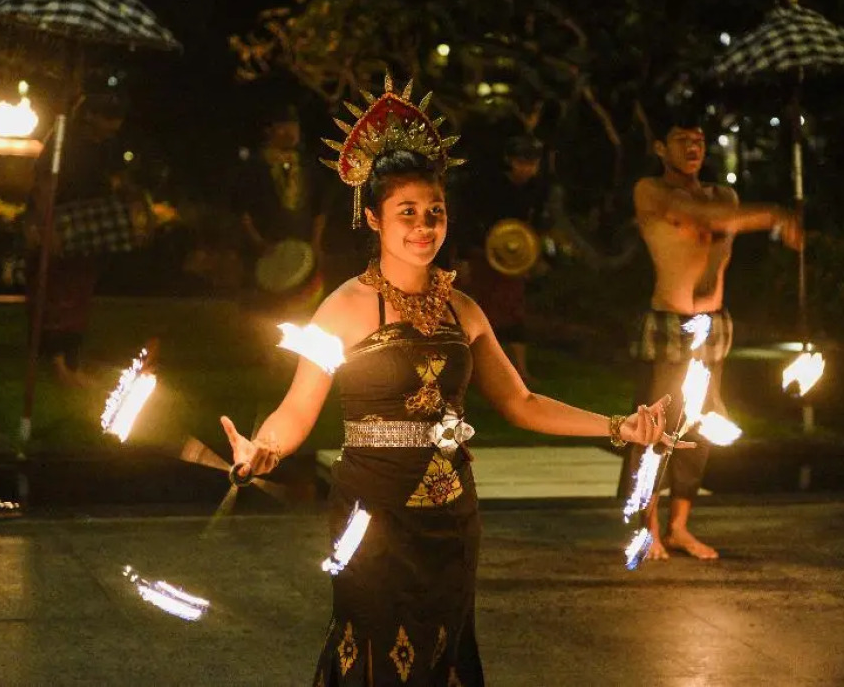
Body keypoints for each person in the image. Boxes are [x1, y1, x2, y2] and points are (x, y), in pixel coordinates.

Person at [220, 78, 681, 685]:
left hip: (452, 514)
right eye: (406, 213)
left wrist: (620, 427)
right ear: (373, 218)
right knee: (375, 649)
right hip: (372, 513)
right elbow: (297, 410)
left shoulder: (464, 308)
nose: (423, 226)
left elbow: (522, 402)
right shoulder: (343, 309)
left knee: (445, 652)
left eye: (434, 212)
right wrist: (265, 447)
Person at [617, 104, 802, 562]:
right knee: (656, 426)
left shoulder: (725, 196)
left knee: (697, 425)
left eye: (699, 140)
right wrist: (778, 214)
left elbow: (722, 233)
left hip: (712, 326)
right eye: (683, 140)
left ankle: (680, 526)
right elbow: (702, 219)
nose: (694, 148)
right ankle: (649, 530)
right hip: (669, 324)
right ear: (662, 148)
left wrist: (743, 235)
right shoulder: (650, 191)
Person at [24, 90, 126, 388]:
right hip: (59, 224)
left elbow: (111, 182)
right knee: (56, 293)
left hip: (88, 231)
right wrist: (47, 226)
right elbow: (44, 185)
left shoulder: (104, 147)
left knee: (79, 294)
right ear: (91, 116)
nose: (112, 128)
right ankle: (57, 363)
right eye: (108, 119)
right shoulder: (63, 142)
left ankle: (71, 360)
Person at [452, 135, 550, 381]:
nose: (526, 168)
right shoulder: (486, 186)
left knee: (514, 310)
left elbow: (535, 226)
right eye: (521, 161)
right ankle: (472, 369)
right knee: (479, 311)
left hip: (514, 256)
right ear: (510, 161)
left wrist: (532, 257)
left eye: (532, 162)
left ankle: (520, 371)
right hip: (481, 254)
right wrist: (464, 256)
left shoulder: (536, 189)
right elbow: (465, 220)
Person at [232, 105, 324, 321]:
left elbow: (319, 208)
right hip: (266, 248)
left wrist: (316, 244)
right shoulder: (254, 167)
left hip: (303, 248)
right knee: (267, 313)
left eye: (294, 127)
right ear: (270, 131)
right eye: (284, 127)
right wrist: (258, 243)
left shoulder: (307, 166)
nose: (291, 133)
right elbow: (242, 210)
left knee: (304, 309)